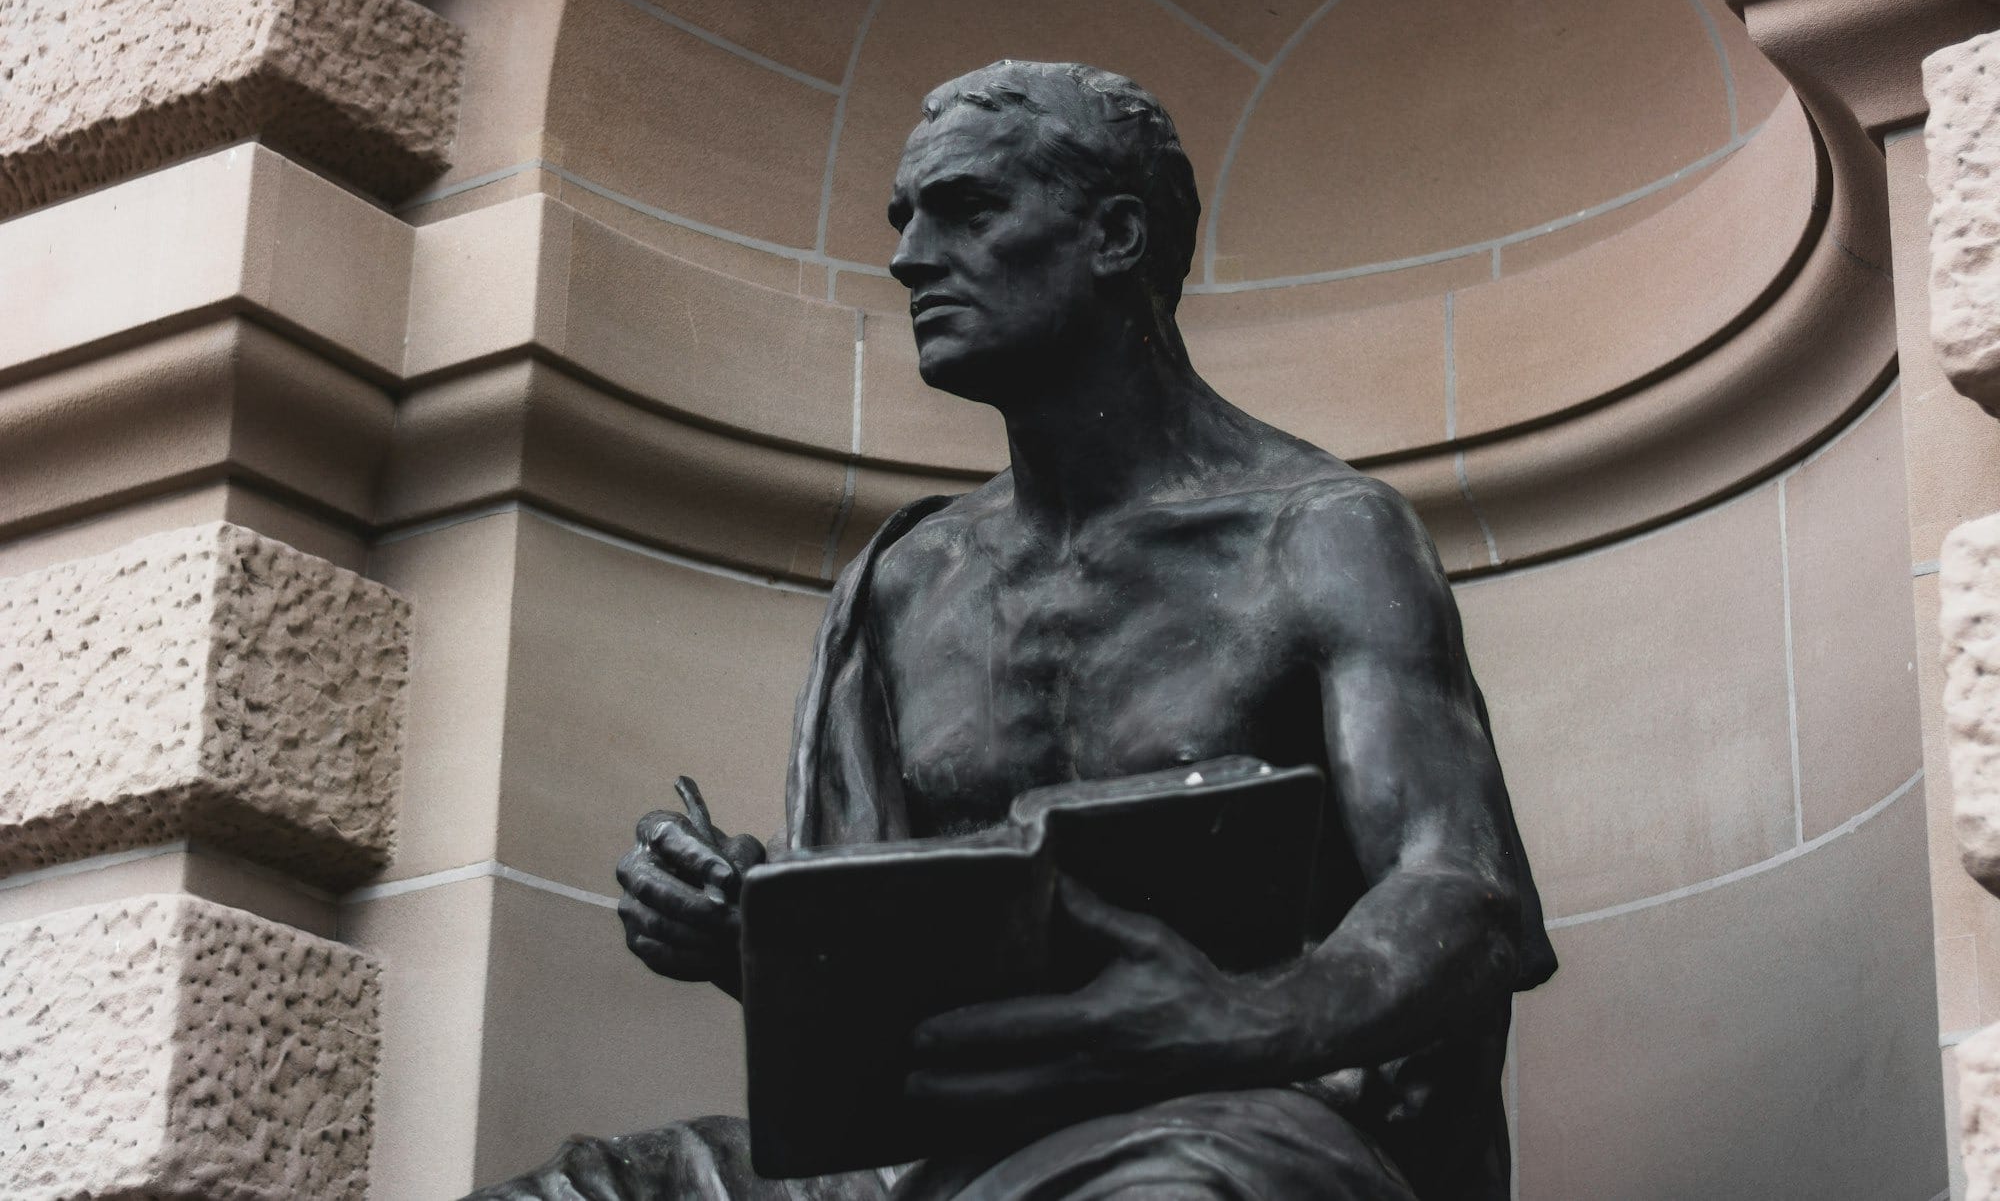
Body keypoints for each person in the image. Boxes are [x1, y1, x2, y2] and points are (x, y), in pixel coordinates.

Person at [467, 61, 1554, 1201]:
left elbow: (1460, 896)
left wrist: (1231, 1018)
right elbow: (884, 1015)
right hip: (947, 1160)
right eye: (904, 219)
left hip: (1243, 1114)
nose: (907, 256)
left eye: (968, 210)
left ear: (1115, 236)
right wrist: (752, 933)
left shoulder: (1320, 535)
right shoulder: (906, 582)